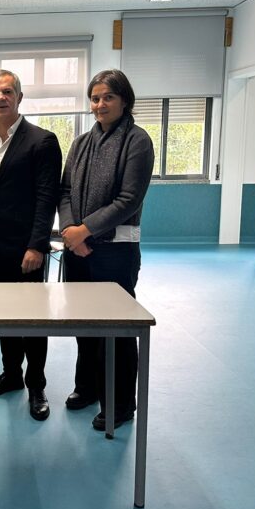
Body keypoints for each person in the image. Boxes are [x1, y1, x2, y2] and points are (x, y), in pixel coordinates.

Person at [58, 69, 154, 431]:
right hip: (77, 250)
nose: (100, 104)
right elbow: (65, 191)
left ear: (124, 100)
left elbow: (129, 199)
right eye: (95, 98)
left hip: (116, 252)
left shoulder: (137, 141)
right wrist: (72, 233)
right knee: (84, 323)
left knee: (117, 328)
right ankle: (87, 387)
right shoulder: (81, 142)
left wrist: (84, 230)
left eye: (108, 97)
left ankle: (120, 404)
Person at [0, 70, 62, 421]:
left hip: (27, 249)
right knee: (3, 314)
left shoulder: (42, 141)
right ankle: (11, 374)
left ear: (19, 98)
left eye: (7, 91)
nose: (0, 98)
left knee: (33, 318)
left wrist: (37, 245)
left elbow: (46, 197)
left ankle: (36, 383)